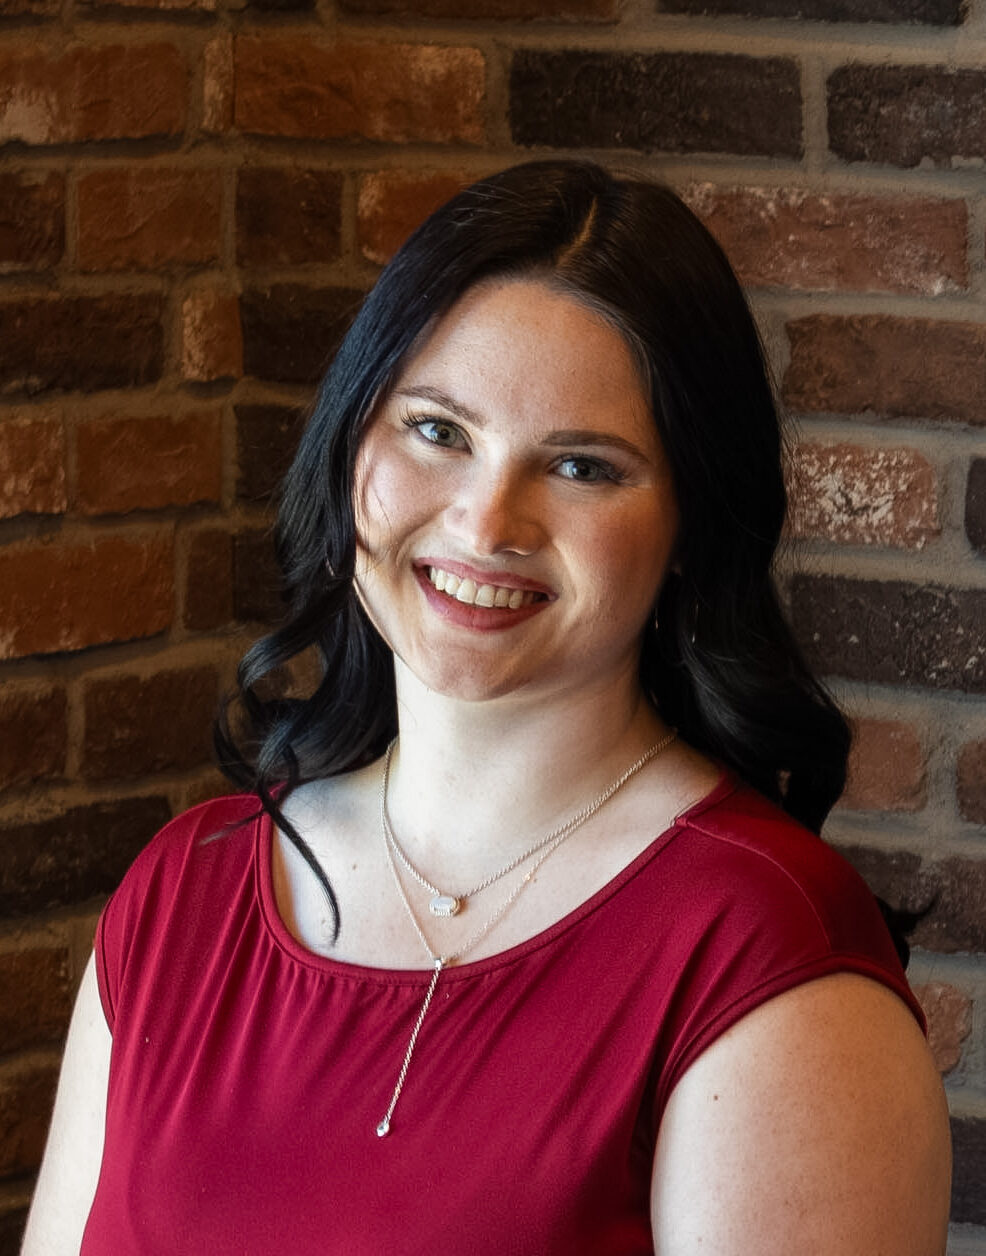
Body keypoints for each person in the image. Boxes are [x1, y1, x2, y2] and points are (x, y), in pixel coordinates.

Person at [23, 160, 950, 1255]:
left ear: (691, 522)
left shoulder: (758, 952)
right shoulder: (183, 892)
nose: (485, 520)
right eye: (437, 431)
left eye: (579, 465)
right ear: (349, 438)